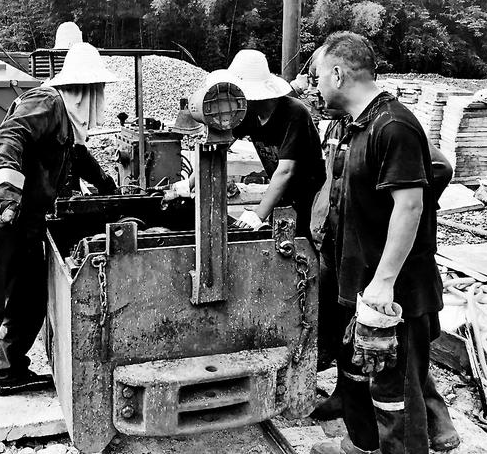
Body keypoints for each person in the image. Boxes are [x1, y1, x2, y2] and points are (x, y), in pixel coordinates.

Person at [0, 41, 119, 454]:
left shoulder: (67, 122)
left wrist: (108, 187)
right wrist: (7, 182)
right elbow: (10, 135)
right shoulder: (47, 101)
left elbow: (79, 157)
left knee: (32, 297)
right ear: (86, 90)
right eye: (98, 90)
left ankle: (10, 371)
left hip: (26, 222)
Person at [308, 32, 445, 454]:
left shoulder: (393, 125)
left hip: (392, 290)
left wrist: (384, 282)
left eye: (318, 76)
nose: (316, 85)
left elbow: (410, 206)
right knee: (356, 375)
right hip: (356, 281)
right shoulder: (354, 125)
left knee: (396, 394)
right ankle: (362, 446)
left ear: (337, 74)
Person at [166, 49, 325, 237]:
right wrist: (190, 183)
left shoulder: (294, 113)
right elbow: (219, 147)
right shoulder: (249, 113)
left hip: (311, 197)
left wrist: (257, 216)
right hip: (282, 196)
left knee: (305, 244)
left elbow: (286, 171)